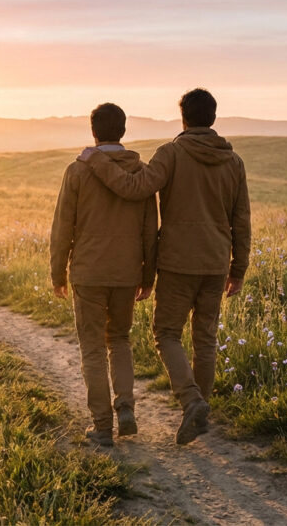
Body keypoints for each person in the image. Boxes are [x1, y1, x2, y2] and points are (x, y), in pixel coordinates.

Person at [78, 88, 251, 445]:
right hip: (216, 261)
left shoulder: (171, 154)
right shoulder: (234, 163)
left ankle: (192, 402)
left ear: (184, 118)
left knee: (167, 334)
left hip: (176, 262)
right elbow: (241, 219)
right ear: (213, 118)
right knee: (206, 338)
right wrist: (239, 268)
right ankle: (199, 410)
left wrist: (94, 159)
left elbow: (134, 187)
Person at [50, 103, 158, 447]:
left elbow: (62, 226)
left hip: (88, 272)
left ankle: (101, 425)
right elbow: (149, 230)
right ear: (123, 131)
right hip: (127, 273)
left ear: (93, 131)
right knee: (121, 341)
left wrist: (57, 273)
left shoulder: (77, 171)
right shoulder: (141, 173)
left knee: (93, 348)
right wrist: (148, 276)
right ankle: (126, 409)